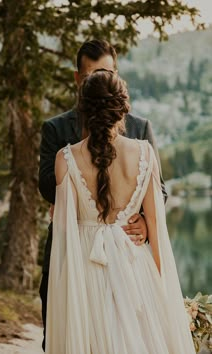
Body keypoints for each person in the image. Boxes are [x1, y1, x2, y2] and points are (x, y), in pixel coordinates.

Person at [45, 70, 195, 354]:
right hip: (135, 267)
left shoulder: (65, 159)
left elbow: (64, 236)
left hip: (87, 269)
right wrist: (163, 293)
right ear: (123, 107)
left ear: (84, 109)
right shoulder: (145, 153)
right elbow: (157, 230)